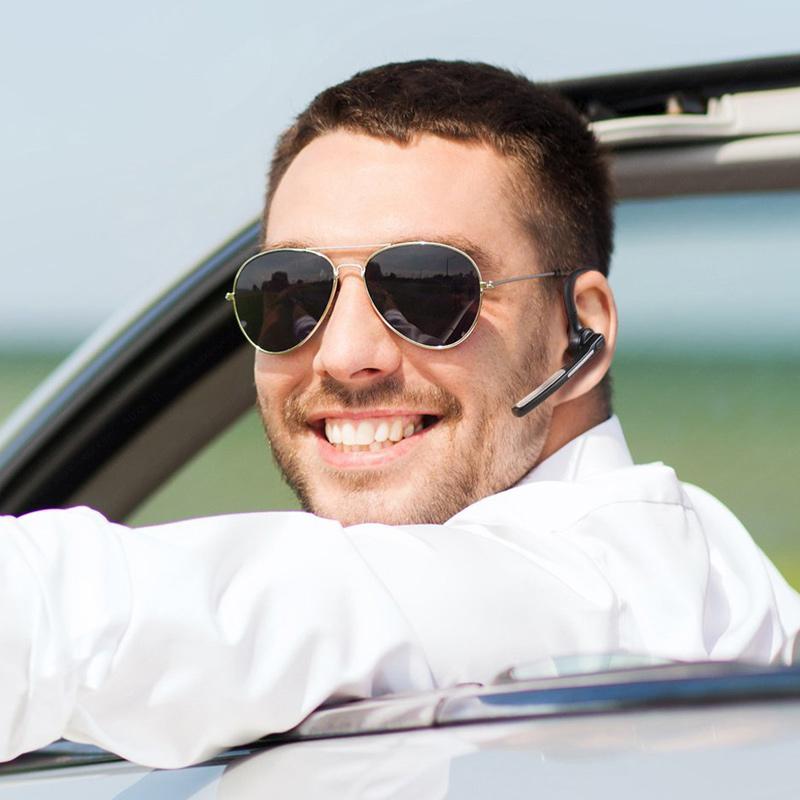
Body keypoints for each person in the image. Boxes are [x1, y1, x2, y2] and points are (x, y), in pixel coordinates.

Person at [2, 60, 799, 769]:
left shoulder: (612, 589)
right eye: (289, 291)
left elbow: (113, 617)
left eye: (428, 288)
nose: (345, 354)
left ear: (579, 335)